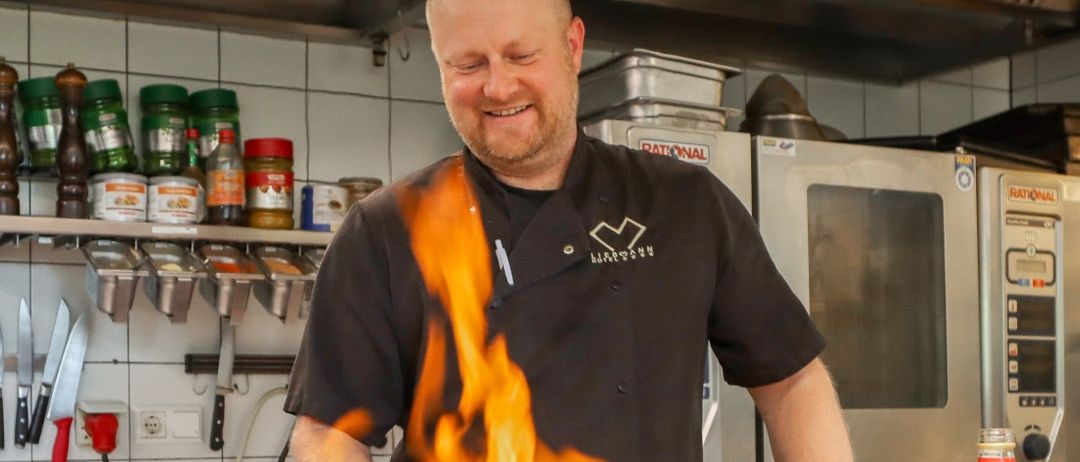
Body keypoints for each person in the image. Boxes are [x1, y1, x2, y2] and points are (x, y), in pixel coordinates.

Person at [284, 0, 854, 460]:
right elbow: (329, 432)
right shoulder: (385, 232)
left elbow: (792, 381)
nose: (498, 87)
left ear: (573, 46)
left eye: (521, 55)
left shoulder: (684, 203)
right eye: (468, 65)